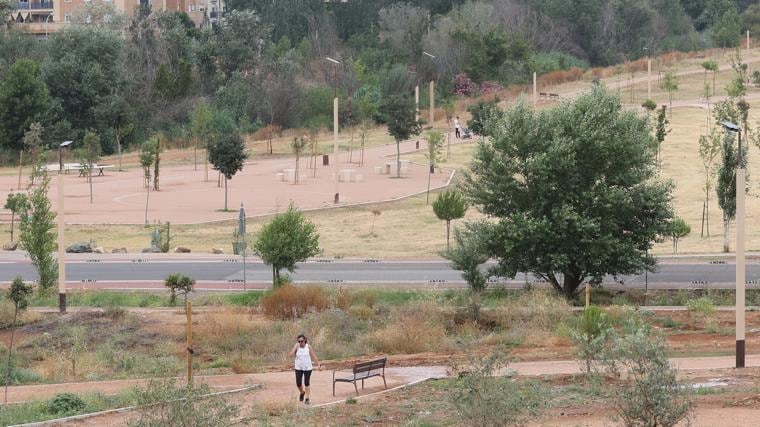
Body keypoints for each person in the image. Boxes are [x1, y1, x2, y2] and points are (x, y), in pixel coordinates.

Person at [289, 334, 321, 404]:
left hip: (308, 368)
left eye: (301, 341)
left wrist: (318, 364)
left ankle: (307, 398)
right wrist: (295, 347)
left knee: (306, 382)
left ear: (305, 340)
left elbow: (313, 356)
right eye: (299, 341)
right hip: (298, 367)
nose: (300, 343)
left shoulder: (308, 347)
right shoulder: (297, 346)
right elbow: (290, 355)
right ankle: (302, 392)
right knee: (298, 383)